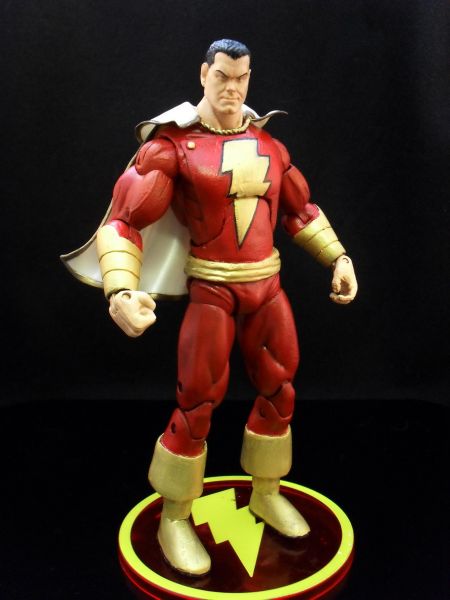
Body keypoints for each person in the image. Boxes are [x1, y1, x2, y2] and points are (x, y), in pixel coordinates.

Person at [63, 39, 357, 576]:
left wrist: (338, 257)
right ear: (204, 74)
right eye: (222, 76)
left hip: (267, 286)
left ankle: (266, 490)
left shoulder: (269, 145)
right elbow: (124, 221)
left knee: (280, 388)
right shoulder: (171, 147)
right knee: (198, 400)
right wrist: (120, 290)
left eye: (242, 78)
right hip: (213, 290)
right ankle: (175, 514)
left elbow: (300, 210)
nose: (232, 88)